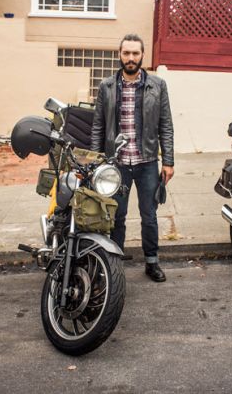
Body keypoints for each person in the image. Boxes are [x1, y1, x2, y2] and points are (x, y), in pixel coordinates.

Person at [90, 34, 174, 282]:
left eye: (135, 53)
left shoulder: (157, 86)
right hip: (116, 164)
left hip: (147, 161)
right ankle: (114, 265)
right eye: (126, 53)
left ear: (142, 55)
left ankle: (152, 262)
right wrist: (97, 161)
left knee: (149, 215)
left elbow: (165, 126)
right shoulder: (106, 86)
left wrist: (168, 161)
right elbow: (98, 127)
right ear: (119, 54)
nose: (131, 58)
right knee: (116, 216)